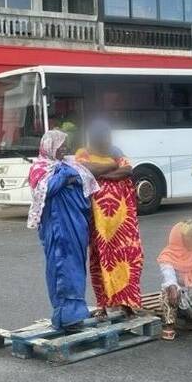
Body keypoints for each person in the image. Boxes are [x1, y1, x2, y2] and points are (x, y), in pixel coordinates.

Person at [27, 129, 99, 331]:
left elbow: (87, 186)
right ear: (49, 147)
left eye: (66, 145)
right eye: (60, 146)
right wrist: (64, 178)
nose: (65, 149)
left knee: (76, 267)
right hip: (58, 228)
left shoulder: (70, 165)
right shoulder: (39, 168)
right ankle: (66, 317)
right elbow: (45, 191)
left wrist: (68, 177)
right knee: (61, 269)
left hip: (77, 225)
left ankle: (75, 314)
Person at [75, 121, 144, 317]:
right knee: (100, 261)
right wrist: (112, 166)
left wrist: (105, 172)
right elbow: (86, 169)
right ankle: (102, 305)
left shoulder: (115, 150)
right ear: (94, 138)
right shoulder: (84, 152)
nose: (108, 140)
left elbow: (128, 170)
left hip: (124, 223)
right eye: (104, 137)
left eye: (108, 136)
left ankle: (127, 304)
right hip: (99, 223)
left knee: (129, 258)